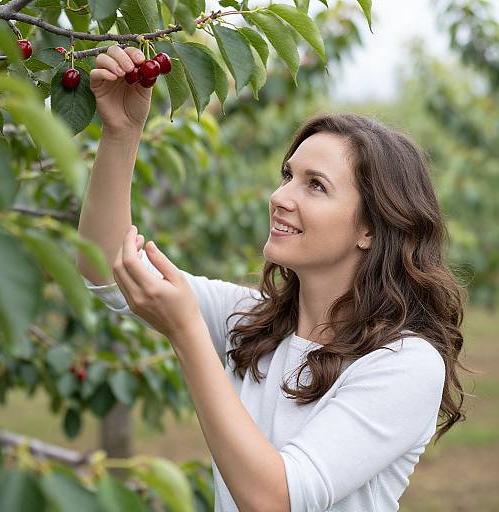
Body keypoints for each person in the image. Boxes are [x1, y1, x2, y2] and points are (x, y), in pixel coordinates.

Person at [77, 45, 469, 511]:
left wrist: (185, 333)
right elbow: (107, 268)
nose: (280, 196)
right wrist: (121, 135)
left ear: (371, 227)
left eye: (315, 185)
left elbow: (277, 499)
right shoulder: (254, 322)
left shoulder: (405, 363)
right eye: (288, 175)